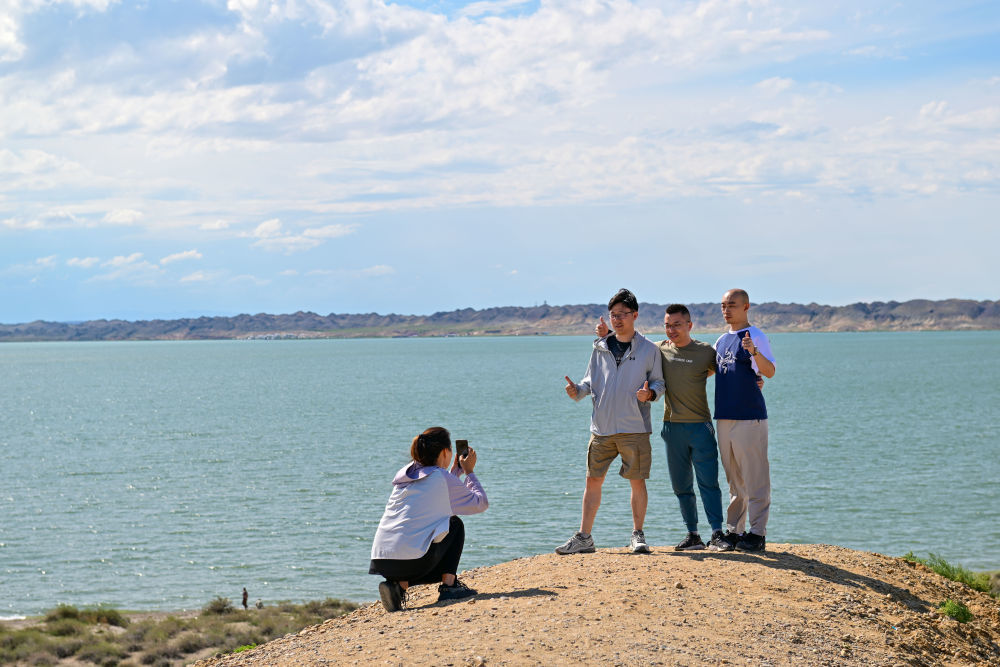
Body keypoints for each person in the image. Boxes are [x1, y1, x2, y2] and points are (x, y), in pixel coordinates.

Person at [600, 304, 727, 551]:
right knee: (681, 485)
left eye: (677, 325)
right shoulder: (658, 350)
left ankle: (718, 533)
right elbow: (629, 342)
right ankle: (693, 535)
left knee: (708, 483)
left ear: (690, 325)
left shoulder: (705, 352)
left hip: (701, 426)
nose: (672, 330)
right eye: (668, 325)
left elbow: (723, 372)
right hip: (672, 428)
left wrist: (756, 380)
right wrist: (606, 335)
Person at [558, 288, 666, 555]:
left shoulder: (649, 349)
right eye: (613, 315)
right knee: (592, 481)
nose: (618, 319)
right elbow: (589, 381)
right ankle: (584, 538)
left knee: (637, 482)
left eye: (623, 314)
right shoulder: (600, 347)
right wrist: (577, 392)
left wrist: (649, 394)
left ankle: (637, 535)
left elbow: (659, 383)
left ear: (635, 315)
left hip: (635, 428)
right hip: (601, 429)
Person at [369, 427, 488, 611]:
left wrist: (454, 473)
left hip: (382, 561)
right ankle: (449, 587)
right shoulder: (442, 478)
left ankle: (398, 587)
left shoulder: (405, 475)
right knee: (454, 524)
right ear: (444, 452)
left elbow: (438, 494)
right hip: (413, 562)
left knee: (422, 535)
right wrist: (469, 472)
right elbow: (480, 503)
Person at [714, 289, 776, 552]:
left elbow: (770, 371)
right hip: (724, 418)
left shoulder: (756, 336)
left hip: (750, 417)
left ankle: (757, 533)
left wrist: (753, 352)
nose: (727, 310)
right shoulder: (720, 340)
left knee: (755, 477)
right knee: (734, 479)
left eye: (733, 305)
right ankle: (735, 531)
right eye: (724, 305)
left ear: (746, 307)